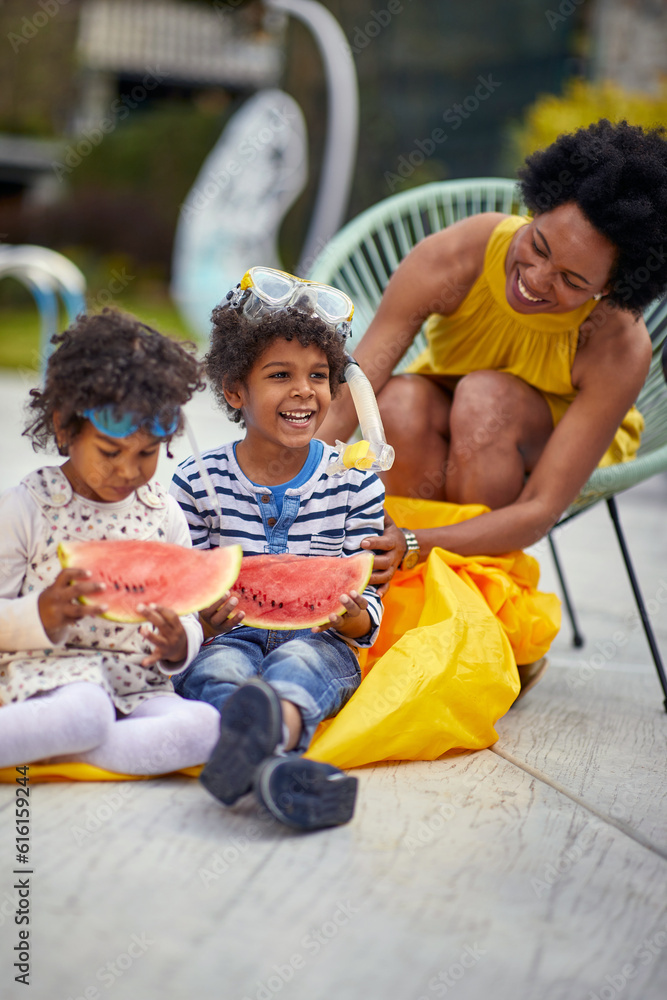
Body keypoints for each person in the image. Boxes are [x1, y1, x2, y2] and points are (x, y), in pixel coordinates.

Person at [318, 120, 667, 578]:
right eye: (538, 246)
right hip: (453, 406)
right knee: (397, 402)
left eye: (572, 280)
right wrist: (283, 482)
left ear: (612, 289)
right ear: (535, 207)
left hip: (552, 445)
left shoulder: (618, 344)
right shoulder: (459, 255)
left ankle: (476, 584)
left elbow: (541, 509)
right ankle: (400, 578)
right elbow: (354, 389)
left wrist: (416, 541)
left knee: (485, 401)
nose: (536, 280)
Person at [169, 269, 385, 830]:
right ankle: (277, 770)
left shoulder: (356, 482)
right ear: (236, 390)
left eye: (319, 375)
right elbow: (184, 585)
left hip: (320, 638)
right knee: (216, 668)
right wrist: (203, 621)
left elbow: (371, 606)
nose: (302, 390)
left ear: (337, 386)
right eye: (280, 375)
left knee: (303, 665)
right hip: (230, 632)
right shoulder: (197, 481)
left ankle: (271, 734)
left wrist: (355, 615)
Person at [0, 310, 220, 775]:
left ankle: (62, 746)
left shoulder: (164, 514)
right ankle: (72, 734)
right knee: (84, 710)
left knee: (205, 727)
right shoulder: (28, 507)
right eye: (109, 451)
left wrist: (182, 641)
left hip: (138, 687)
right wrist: (40, 613)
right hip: (46, 680)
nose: (128, 471)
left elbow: (185, 613)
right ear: (64, 427)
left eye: (147, 453)